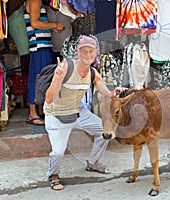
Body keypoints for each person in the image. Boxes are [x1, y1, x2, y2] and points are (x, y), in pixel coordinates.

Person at [44, 35, 125, 191]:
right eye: (84, 51)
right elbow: (49, 99)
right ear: (78, 52)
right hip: (56, 114)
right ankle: (53, 175)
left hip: (77, 111)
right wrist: (56, 78)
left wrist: (113, 93)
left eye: (91, 51)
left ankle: (93, 163)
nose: (88, 55)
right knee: (58, 151)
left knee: (103, 132)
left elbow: (105, 91)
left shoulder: (93, 72)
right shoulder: (66, 67)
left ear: (96, 53)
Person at [23, 0, 65, 126]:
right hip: (39, 46)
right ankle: (32, 113)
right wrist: (54, 25)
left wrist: (52, 27)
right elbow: (34, 23)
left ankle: (41, 110)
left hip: (42, 45)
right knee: (37, 78)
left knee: (45, 79)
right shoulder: (35, 0)